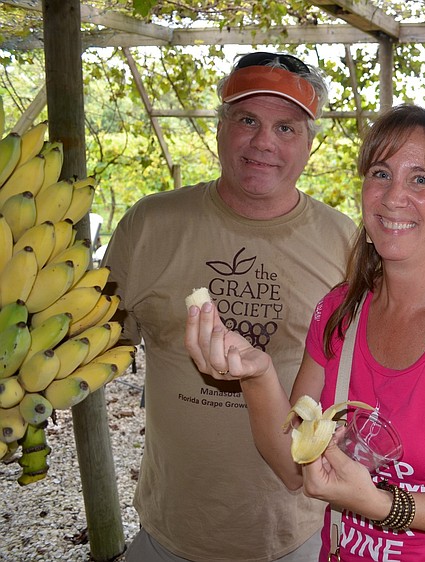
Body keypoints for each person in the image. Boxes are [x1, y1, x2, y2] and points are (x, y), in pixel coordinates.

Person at [185, 104, 425, 561]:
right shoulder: (340, 310)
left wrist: (379, 504)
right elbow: (296, 466)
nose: (393, 197)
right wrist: (257, 375)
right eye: (380, 173)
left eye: (420, 179)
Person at [103, 52, 357, 561]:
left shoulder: (343, 242)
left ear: (309, 145)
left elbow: (358, 378)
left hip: (296, 527)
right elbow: (93, 344)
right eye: (247, 120)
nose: (264, 142)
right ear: (220, 130)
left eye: (286, 127)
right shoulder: (150, 226)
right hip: (173, 528)